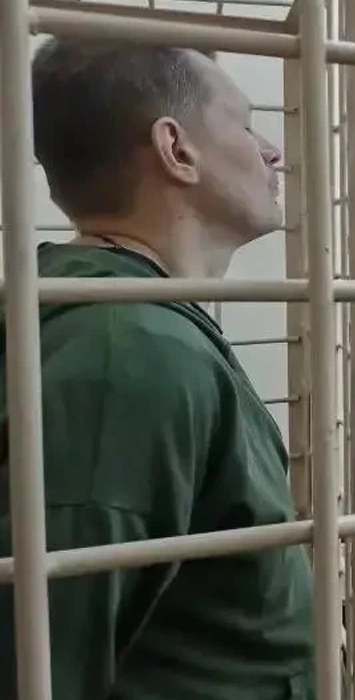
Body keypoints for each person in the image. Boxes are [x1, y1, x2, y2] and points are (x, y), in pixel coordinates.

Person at [0, 40, 316, 699]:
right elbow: (44, 664)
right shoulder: (125, 351)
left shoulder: (124, 319)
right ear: (176, 149)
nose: (273, 152)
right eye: (246, 124)